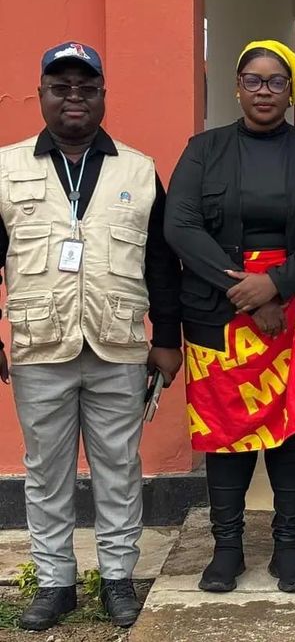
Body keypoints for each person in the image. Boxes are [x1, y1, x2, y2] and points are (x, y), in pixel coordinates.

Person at [1, 42, 182, 630]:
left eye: (86, 87)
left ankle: (117, 579)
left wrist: (168, 338)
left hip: (119, 345)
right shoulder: (7, 169)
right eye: (61, 87)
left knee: (119, 468)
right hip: (39, 347)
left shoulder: (138, 170)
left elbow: (162, 265)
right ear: (42, 95)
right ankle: (55, 584)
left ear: (103, 96)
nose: (73, 97)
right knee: (46, 473)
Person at [165, 40, 295, 595]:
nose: (265, 91)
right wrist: (247, 291)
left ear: (292, 91)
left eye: (276, 81)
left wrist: (278, 285)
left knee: (293, 430)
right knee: (224, 432)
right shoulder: (203, 150)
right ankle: (227, 549)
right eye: (253, 80)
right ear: (237, 88)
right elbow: (180, 226)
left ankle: (288, 547)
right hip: (219, 312)